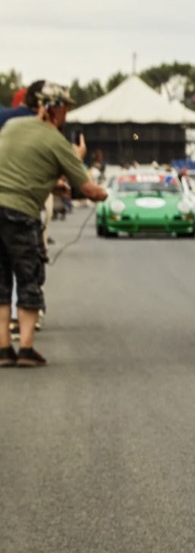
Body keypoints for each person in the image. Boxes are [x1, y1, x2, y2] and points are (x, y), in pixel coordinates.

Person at [0, 82, 107, 367]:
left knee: (0, 282)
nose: (66, 114)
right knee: (29, 278)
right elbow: (88, 188)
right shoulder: (55, 140)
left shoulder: (11, 129)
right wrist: (102, 191)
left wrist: (53, 185)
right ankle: (25, 349)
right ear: (52, 109)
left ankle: (2, 350)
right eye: (65, 108)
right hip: (21, 215)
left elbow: (21, 170)